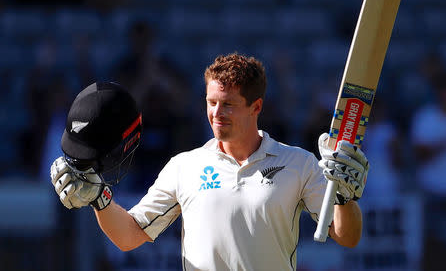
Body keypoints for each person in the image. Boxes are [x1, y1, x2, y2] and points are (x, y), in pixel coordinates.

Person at [51, 54, 369, 271]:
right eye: (211, 102)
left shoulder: (297, 163)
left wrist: (344, 198)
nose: (217, 114)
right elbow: (129, 236)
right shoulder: (184, 167)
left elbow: (348, 236)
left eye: (228, 105)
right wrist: (99, 199)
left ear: (255, 106)